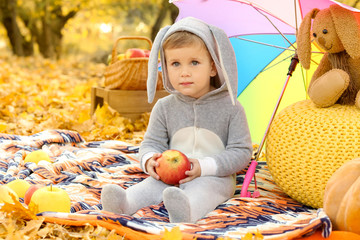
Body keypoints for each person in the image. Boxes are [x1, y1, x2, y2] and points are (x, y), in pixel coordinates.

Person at [101, 17, 253, 223]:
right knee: (151, 185)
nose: (184, 72)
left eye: (194, 62)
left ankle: (186, 211)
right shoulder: (164, 107)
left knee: (206, 190)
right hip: (170, 172)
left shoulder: (231, 108)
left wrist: (204, 166)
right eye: (175, 64)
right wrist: (150, 161)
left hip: (213, 176)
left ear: (213, 67)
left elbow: (241, 152)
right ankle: (125, 203)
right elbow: (151, 143)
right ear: (164, 67)